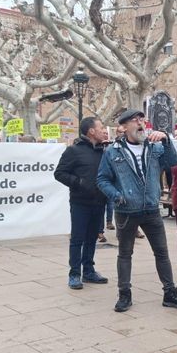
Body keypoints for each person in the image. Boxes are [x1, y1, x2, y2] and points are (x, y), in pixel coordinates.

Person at [96, 109, 177, 312]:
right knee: (125, 254)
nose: (140, 123)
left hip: (151, 209)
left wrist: (166, 140)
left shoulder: (155, 147)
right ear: (123, 127)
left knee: (162, 253)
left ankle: (170, 293)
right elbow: (102, 179)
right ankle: (124, 294)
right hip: (126, 211)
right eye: (135, 120)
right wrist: (117, 196)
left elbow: (173, 164)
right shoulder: (112, 151)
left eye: (142, 119)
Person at [54, 117, 111, 290]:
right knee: (77, 239)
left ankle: (88, 271)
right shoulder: (73, 151)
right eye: (101, 127)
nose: (104, 131)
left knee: (92, 238)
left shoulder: (104, 151)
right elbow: (59, 173)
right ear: (91, 131)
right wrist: (79, 182)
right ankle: (74, 274)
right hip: (80, 202)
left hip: (99, 202)